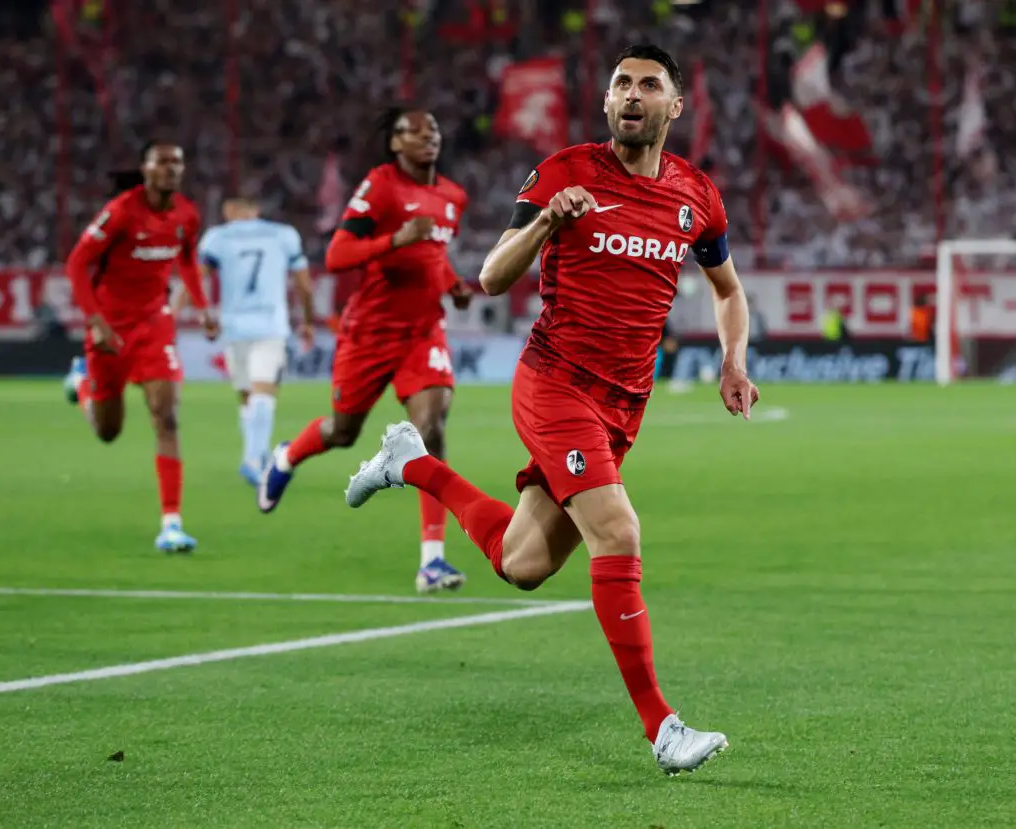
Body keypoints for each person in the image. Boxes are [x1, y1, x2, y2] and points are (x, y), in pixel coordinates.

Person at [344, 45, 759, 773]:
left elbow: (727, 290)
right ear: (606, 104)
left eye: (649, 85)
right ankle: (663, 726)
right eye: (621, 84)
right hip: (554, 381)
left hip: (622, 405)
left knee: (522, 563)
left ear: (674, 106)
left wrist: (734, 360)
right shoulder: (565, 172)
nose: (633, 94)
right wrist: (545, 226)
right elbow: (490, 275)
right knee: (619, 531)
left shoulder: (697, 196)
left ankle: (410, 462)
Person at [258, 107, 475, 594]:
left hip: (422, 331)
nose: (427, 137)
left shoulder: (452, 196)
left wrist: (452, 284)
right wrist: (395, 237)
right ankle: (287, 457)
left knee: (431, 428)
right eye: (413, 132)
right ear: (395, 145)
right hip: (370, 333)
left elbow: (433, 257)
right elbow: (336, 256)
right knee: (341, 431)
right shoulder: (380, 186)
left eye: (433, 129)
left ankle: (432, 561)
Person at [62, 141, 218, 553]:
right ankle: (81, 383)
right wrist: (95, 322)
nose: (171, 168)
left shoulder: (187, 213)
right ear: (145, 169)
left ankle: (171, 524)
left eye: (177, 161)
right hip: (110, 330)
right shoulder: (122, 211)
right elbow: (78, 262)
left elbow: (186, 261)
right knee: (107, 431)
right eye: (162, 161)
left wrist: (202, 308)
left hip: (154, 327)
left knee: (166, 418)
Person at [187, 196, 314, 486]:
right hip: (270, 324)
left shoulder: (217, 237)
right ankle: (255, 459)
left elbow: (196, 278)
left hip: (234, 326)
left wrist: (202, 313)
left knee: (247, 394)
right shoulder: (284, 234)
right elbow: (304, 284)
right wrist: (307, 320)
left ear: (228, 211)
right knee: (263, 393)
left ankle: (254, 456)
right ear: (256, 210)